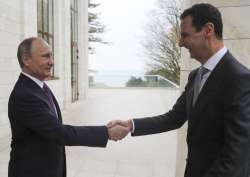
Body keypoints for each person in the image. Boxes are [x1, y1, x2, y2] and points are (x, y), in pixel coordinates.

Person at [108, 3, 250, 177]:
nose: (180, 42)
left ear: (208, 30)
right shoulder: (195, 76)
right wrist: (131, 125)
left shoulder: (241, 79)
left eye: (185, 35)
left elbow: (236, 156)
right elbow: (174, 118)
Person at [8, 37, 129, 177]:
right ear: (26, 60)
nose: (51, 62)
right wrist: (106, 132)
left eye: (52, 55)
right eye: (46, 56)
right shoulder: (25, 95)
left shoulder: (39, 85)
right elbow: (59, 132)